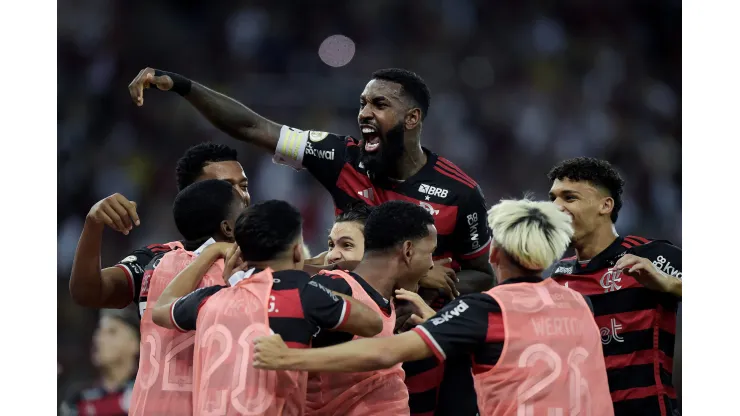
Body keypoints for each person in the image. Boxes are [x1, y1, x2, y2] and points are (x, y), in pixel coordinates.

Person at [129, 67, 493, 414]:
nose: (364, 113)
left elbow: (482, 274)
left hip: (422, 345)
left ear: (411, 119)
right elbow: (253, 126)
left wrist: (433, 279)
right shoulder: (340, 157)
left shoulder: (460, 193)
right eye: (362, 103)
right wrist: (182, 86)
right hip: (348, 354)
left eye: (379, 105)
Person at [253, 198, 614, 416]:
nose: (433, 263)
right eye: (430, 252)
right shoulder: (577, 303)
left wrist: (287, 358)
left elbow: (384, 351)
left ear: (494, 253)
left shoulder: (485, 311)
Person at [152, 199, 384, 415]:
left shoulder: (209, 299)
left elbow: (161, 310)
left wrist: (212, 253)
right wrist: (316, 280)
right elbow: (372, 322)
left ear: (241, 253)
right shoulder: (305, 295)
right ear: (296, 250)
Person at [546, 157, 682, 416]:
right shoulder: (558, 274)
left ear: (604, 205)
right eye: (553, 198)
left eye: (569, 197)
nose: (556, 207)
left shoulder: (650, 255)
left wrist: (666, 283)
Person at [69, 142, 250, 312]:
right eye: (226, 187)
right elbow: (88, 293)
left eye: (243, 186)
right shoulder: (156, 260)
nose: (242, 196)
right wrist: (93, 225)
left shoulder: (268, 256)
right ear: (191, 195)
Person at [304, 200, 436, 416]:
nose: (432, 265)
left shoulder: (391, 302)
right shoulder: (336, 287)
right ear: (408, 251)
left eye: (346, 245)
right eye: (430, 252)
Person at [129, 179, 246, 416]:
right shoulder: (228, 272)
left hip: (143, 404)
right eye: (244, 212)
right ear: (228, 229)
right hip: (191, 405)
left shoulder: (159, 263)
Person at [60, 308, 140, 416]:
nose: (99, 339)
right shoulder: (79, 399)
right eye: (99, 331)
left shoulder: (145, 396)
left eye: (112, 332)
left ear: (135, 344)